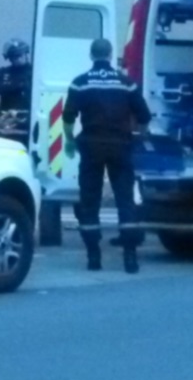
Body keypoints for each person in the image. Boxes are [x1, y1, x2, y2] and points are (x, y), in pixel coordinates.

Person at [62, 37, 151, 274]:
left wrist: (70, 141)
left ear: (91, 56)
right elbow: (144, 116)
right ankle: (130, 258)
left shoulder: (80, 83)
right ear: (110, 55)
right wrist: (138, 138)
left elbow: (68, 117)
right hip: (121, 145)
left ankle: (94, 257)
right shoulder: (126, 83)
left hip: (90, 147)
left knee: (90, 200)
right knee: (125, 200)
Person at [0, 38, 32, 143]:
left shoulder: (35, 73)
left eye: (19, 55)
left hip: (29, 119)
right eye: (13, 56)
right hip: (6, 122)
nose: (17, 59)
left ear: (26, 54)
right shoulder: (2, 73)